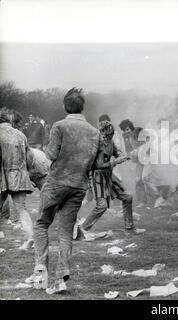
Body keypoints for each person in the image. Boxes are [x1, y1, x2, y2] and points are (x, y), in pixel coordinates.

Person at [26, 87, 102, 294]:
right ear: (82, 107)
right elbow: (96, 163)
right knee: (66, 230)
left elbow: (50, 155)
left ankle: (40, 267)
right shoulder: (95, 132)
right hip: (79, 185)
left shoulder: (59, 126)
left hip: (57, 182)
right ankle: (62, 273)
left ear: (65, 106)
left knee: (42, 223)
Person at [73, 121, 145, 238]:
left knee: (127, 197)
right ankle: (82, 230)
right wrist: (115, 162)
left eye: (109, 135)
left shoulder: (110, 142)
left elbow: (117, 153)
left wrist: (126, 155)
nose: (106, 137)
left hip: (108, 176)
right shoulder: (96, 145)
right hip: (97, 177)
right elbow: (99, 165)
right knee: (102, 206)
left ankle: (129, 227)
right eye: (105, 135)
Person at [0, 109, 35, 250]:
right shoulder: (21, 135)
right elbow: (30, 158)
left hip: (2, 176)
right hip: (19, 176)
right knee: (22, 209)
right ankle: (31, 236)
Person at [119, 119, 148, 207]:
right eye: (124, 130)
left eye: (127, 129)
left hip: (150, 158)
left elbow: (147, 144)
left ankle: (162, 197)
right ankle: (142, 201)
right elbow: (129, 151)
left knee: (148, 178)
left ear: (131, 127)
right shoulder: (125, 136)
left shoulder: (139, 131)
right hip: (140, 161)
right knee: (138, 180)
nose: (126, 131)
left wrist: (137, 150)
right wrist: (129, 158)